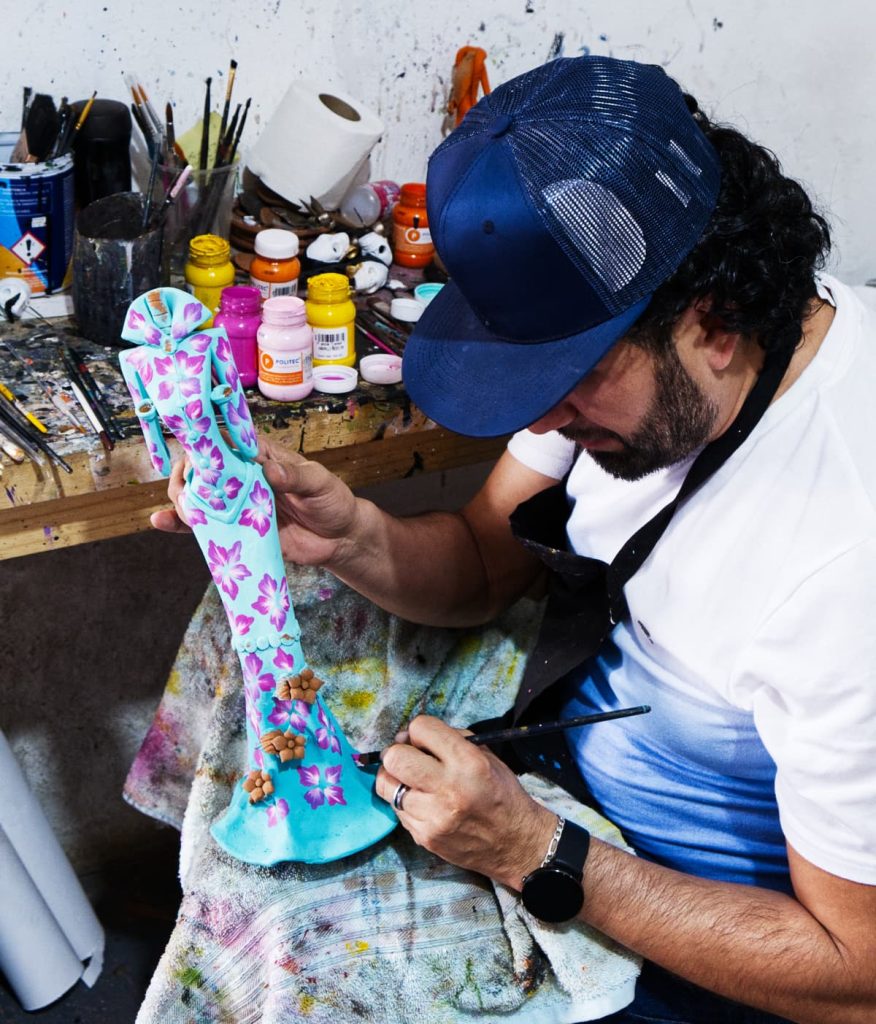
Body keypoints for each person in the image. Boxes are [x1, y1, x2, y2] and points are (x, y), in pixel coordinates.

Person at [153, 57, 876, 1023]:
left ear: (719, 321)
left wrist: (536, 851)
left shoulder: (842, 567)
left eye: (572, 378)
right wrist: (352, 535)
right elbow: (489, 559)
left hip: (724, 939)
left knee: (313, 961)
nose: (540, 413)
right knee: (268, 623)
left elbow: (855, 977)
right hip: (570, 773)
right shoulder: (640, 333)